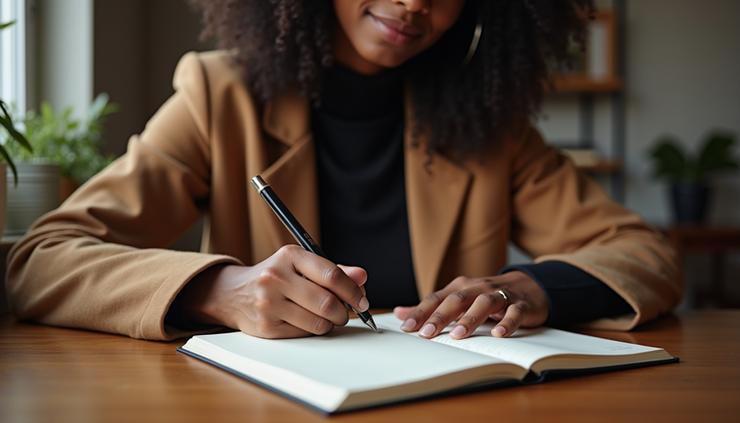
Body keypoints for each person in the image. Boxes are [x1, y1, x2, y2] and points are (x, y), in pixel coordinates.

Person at [6, 0, 682, 341]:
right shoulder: (221, 97)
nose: (415, 2)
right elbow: (39, 259)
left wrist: (531, 286)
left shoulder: (490, 124)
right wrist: (219, 288)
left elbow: (644, 252)